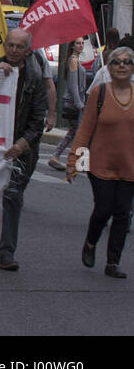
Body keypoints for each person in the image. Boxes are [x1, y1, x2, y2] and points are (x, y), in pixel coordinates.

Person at [0, 29, 49, 270]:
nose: (14, 51)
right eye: (10, 45)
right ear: (4, 45)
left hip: (20, 147)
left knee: (13, 196)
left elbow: (38, 120)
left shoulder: (35, 77)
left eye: (19, 47)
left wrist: (22, 145)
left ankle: (6, 252)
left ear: (28, 50)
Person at [66, 46, 134, 278]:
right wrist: (74, 160)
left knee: (123, 213)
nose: (122, 66)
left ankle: (113, 262)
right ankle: (91, 242)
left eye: (127, 62)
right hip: (100, 164)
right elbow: (85, 129)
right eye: (117, 62)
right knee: (104, 210)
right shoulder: (100, 93)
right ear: (110, 67)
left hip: (130, 166)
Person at [48, 39, 88, 172]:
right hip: (73, 103)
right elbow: (72, 85)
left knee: (73, 132)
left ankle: (57, 156)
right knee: (80, 132)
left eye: (82, 43)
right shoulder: (73, 61)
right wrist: (79, 103)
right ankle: (78, 161)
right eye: (78, 43)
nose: (80, 45)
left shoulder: (75, 60)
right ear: (72, 46)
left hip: (75, 102)